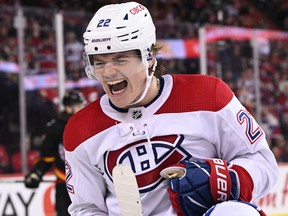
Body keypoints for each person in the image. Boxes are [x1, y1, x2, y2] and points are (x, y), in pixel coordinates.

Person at [63, 1, 279, 216]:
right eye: (99, 63)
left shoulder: (208, 95)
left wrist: (228, 180)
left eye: (120, 59)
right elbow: (86, 208)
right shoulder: (81, 130)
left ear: (149, 57)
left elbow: (263, 163)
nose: (108, 72)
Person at [25, 90, 87, 216]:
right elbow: (47, 157)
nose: (81, 109)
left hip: (87, 183)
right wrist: (37, 173)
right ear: (68, 108)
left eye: (82, 105)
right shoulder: (56, 128)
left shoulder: (89, 125)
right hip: (64, 185)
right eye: (77, 106)